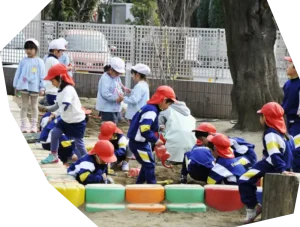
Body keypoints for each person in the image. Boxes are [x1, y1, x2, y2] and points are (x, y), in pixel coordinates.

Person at [238, 102, 295, 224]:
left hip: (272, 164)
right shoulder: (285, 133)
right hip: (283, 165)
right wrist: (287, 168)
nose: (260, 118)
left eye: (261, 115)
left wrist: (282, 170)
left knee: (244, 179)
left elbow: (274, 153)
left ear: (266, 118)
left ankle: (253, 207)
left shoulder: (270, 133)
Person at [127, 85, 177, 184]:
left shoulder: (149, 108)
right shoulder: (151, 111)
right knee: (149, 165)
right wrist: (155, 140)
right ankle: (152, 186)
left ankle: (139, 185)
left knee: (147, 164)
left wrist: (157, 128)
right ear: (163, 100)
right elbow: (144, 129)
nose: (168, 107)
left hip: (139, 143)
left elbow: (143, 124)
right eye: (169, 104)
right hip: (139, 144)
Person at [40, 64, 88, 164]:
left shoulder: (69, 90)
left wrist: (55, 115)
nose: (52, 83)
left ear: (60, 78)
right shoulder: (60, 91)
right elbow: (57, 105)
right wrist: (46, 109)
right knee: (54, 133)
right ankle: (54, 155)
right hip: (66, 120)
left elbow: (64, 106)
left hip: (77, 121)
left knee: (79, 144)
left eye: (52, 80)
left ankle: (88, 161)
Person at [13, 38, 46, 133]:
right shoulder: (23, 61)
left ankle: (33, 126)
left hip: (35, 87)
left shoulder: (39, 61)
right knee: (24, 106)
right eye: (27, 48)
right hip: (24, 86)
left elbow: (42, 75)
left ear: (36, 49)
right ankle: (23, 125)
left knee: (34, 106)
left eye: (31, 48)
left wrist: (42, 87)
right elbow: (18, 73)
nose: (28, 51)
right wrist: (16, 85)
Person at [158, 98, 196, 163]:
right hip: (191, 150)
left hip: (173, 151)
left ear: (166, 101)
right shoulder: (188, 113)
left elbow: (160, 130)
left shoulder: (165, 112)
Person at [96, 57, 127, 124]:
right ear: (110, 69)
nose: (118, 75)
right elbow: (105, 93)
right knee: (109, 125)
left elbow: (119, 87)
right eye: (117, 73)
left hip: (115, 107)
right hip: (107, 108)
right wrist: (116, 99)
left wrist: (121, 94)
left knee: (114, 123)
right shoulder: (105, 78)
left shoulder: (116, 77)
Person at [282, 57, 300, 172]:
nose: (287, 66)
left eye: (290, 63)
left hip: (298, 122)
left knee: (297, 149)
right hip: (290, 120)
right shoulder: (288, 83)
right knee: (290, 146)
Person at [43, 39, 67, 106]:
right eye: (61, 51)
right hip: (53, 91)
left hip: (49, 90)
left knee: (52, 110)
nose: (62, 54)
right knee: (56, 111)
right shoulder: (54, 61)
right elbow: (57, 75)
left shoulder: (48, 59)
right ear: (56, 51)